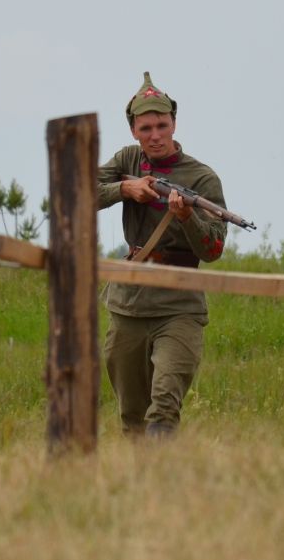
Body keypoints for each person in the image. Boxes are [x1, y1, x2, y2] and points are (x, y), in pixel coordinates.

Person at [96, 72, 229, 438]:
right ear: (133, 130)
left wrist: (187, 218)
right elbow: (78, 191)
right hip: (130, 303)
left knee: (164, 408)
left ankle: (164, 482)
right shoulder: (128, 160)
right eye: (146, 128)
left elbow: (213, 249)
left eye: (162, 125)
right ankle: (141, 490)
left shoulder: (202, 178)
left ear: (173, 124)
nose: (155, 135)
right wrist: (124, 188)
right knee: (132, 416)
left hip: (179, 305)